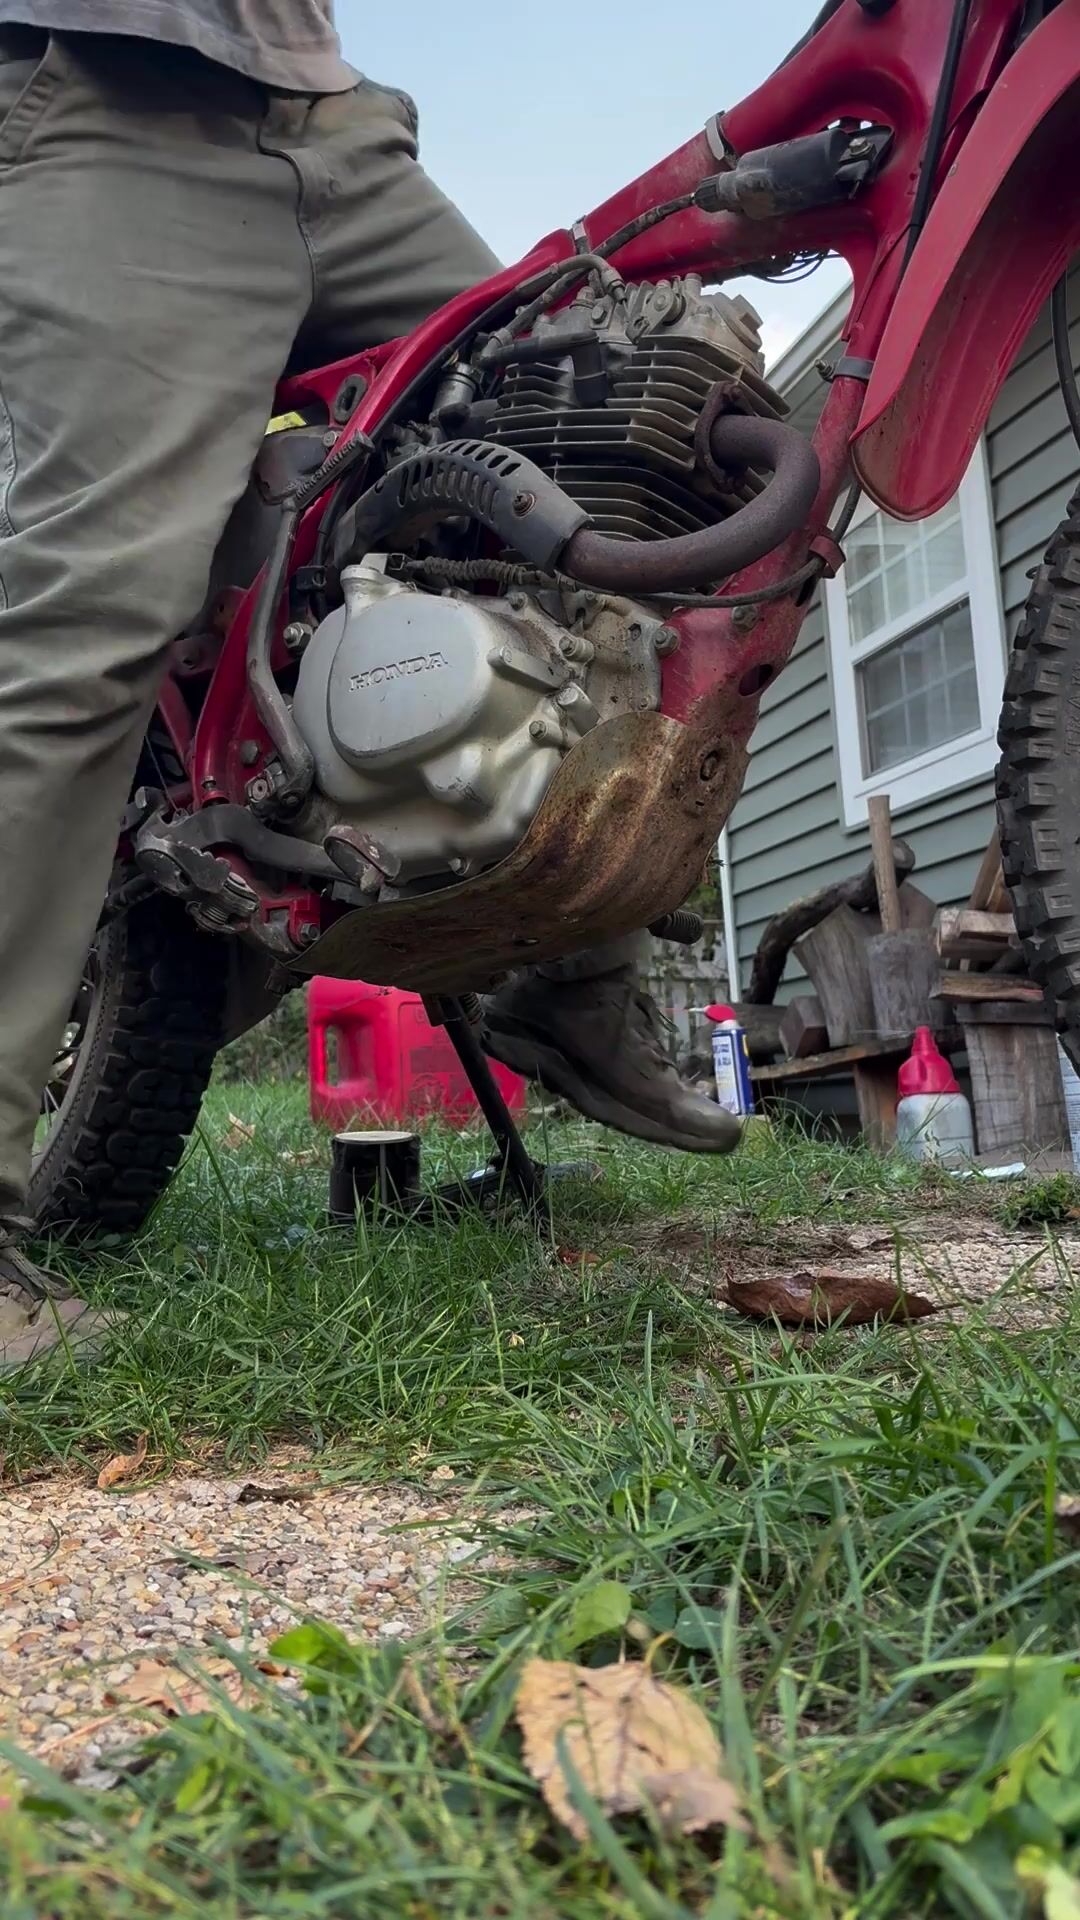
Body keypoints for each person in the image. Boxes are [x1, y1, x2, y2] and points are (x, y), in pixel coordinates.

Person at [0, 4, 739, 1366]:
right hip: (105, 92)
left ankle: (572, 970)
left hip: (331, 121)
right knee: (88, 618)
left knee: (619, 450)